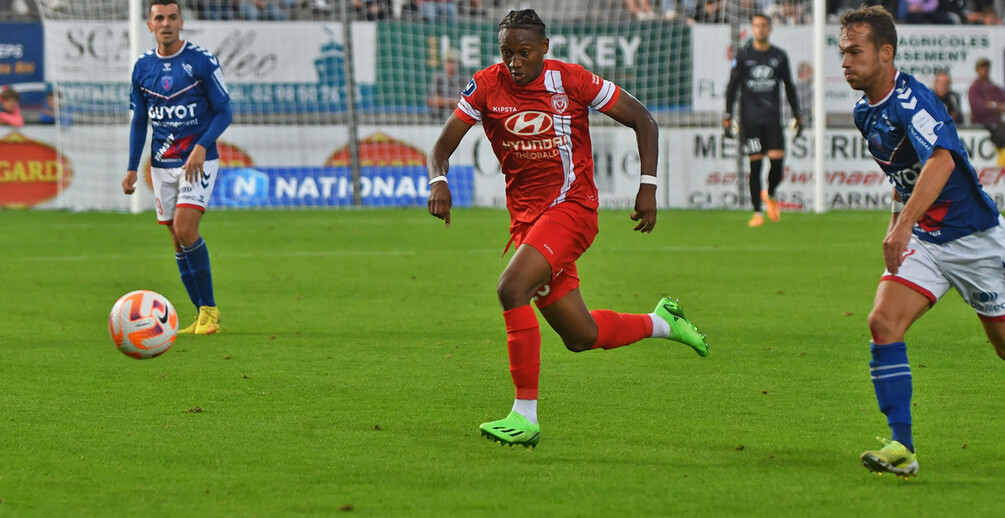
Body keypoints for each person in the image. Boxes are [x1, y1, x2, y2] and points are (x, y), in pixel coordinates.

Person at [426, 9, 709, 449]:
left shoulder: (570, 80)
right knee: (581, 335)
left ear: (544, 49)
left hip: (572, 209)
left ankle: (525, 416)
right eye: (507, 53)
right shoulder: (484, 85)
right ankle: (664, 322)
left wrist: (647, 188)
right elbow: (441, 148)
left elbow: (643, 119)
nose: (515, 62)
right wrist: (438, 180)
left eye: (523, 52)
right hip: (528, 222)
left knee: (510, 288)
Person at [839, 5, 1005, 479]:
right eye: (842, 52)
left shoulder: (914, 100)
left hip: (976, 241)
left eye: (856, 52)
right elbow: (903, 174)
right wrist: (898, 221)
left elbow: (943, 161)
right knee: (883, 321)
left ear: (886, 53)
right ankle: (902, 447)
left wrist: (903, 224)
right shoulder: (864, 112)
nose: (846, 62)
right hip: (928, 241)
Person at [122, 0, 232, 335]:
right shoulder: (142, 68)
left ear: (181, 21)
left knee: (186, 230)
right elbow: (140, 121)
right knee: (175, 238)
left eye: (172, 17)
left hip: (197, 162)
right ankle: (201, 314)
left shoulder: (200, 61)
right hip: (161, 164)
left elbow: (224, 111)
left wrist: (201, 147)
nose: (166, 23)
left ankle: (210, 311)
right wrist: (131, 168)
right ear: (149, 25)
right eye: (159, 18)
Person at [723, 13, 802, 227]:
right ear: (752, 28)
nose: (760, 29)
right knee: (755, 165)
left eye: (764, 26)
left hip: (773, 119)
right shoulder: (744, 55)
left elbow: (789, 86)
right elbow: (732, 87)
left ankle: (771, 193)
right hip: (750, 120)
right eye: (756, 25)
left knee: (777, 162)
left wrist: (797, 115)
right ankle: (757, 213)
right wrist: (727, 116)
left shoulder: (779, 56)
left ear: (769, 29)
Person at [968, 58, 1005, 166]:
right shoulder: (974, 88)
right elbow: (979, 108)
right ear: (977, 70)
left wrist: (991, 105)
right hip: (980, 127)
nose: (985, 70)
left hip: (998, 127)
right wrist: (996, 106)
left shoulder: (996, 88)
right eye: (982, 67)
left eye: (987, 67)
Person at [426, 48, 468, 120]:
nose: (450, 65)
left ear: (458, 63)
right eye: (448, 62)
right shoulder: (438, 78)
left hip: (459, 119)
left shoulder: (464, 79)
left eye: (453, 62)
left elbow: (467, 103)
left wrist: (442, 101)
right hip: (438, 118)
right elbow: (431, 101)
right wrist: (453, 102)